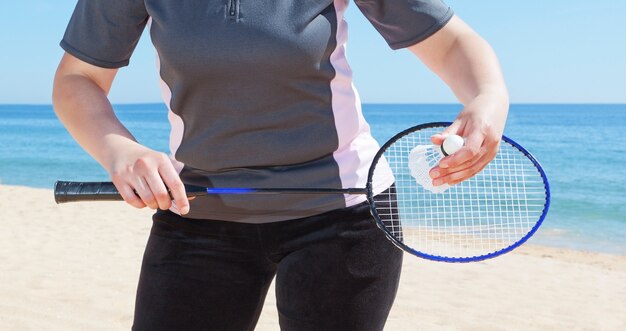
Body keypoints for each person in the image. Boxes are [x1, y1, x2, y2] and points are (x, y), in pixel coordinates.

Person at [53, 0, 508, 330]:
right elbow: (78, 78)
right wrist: (120, 150)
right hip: (199, 214)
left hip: (342, 215)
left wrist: (488, 97)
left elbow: (451, 43)